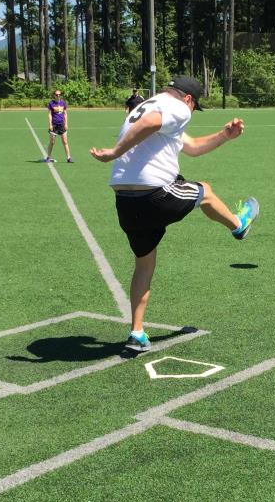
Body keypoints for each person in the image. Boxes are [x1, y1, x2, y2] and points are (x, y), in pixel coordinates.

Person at [90, 76, 259, 352]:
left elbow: (191, 148)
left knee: (144, 264)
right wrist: (114, 152)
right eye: (195, 107)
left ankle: (137, 333)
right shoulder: (176, 107)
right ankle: (239, 224)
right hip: (153, 194)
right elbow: (151, 123)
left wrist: (224, 136)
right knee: (204, 190)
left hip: (125, 200)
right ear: (189, 99)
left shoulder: (146, 105)